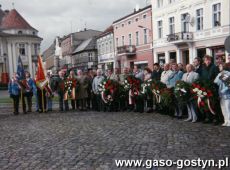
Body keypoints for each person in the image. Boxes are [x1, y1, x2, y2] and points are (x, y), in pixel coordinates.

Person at [201, 55, 219, 124]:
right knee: (206, 103)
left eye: (208, 60)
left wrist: (212, 83)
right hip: (205, 87)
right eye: (205, 60)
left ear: (210, 60)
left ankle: (215, 118)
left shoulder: (214, 67)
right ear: (204, 61)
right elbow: (202, 77)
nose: (207, 61)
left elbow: (217, 77)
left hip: (212, 88)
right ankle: (208, 118)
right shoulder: (203, 68)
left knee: (213, 104)